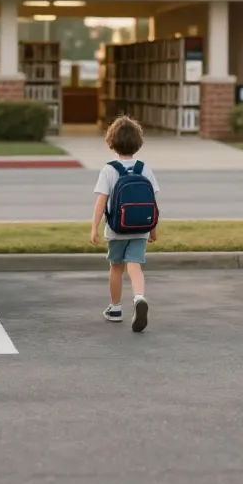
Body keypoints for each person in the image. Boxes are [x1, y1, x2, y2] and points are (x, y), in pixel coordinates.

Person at [91, 115, 159, 332]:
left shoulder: (109, 169)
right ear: (138, 142)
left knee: (116, 267)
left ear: (111, 142)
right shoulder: (144, 168)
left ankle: (116, 308)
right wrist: (153, 229)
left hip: (116, 229)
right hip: (140, 229)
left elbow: (101, 202)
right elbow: (151, 202)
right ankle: (139, 298)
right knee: (135, 265)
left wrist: (94, 228)